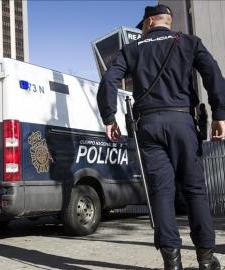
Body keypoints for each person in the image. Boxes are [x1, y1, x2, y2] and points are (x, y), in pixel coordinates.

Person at [96, 4, 225, 270]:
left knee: (161, 192)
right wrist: (219, 114)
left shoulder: (133, 49)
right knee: (194, 190)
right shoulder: (188, 42)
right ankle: (205, 259)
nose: (142, 27)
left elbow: (109, 80)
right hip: (182, 121)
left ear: (151, 21)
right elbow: (212, 73)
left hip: (149, 126)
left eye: (143, 23)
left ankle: (172, 262)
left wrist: (109, 118)